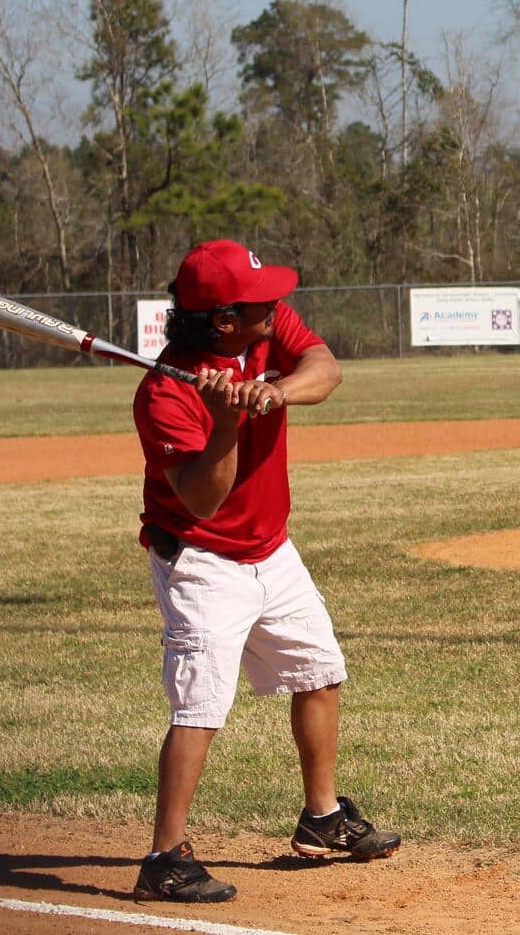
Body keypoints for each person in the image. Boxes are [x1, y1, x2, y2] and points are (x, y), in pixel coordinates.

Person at [131, 239, 399, 904]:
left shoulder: (266, 326)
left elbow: (325, 368)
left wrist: (272, 394)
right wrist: (225, 424)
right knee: (200, 705)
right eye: (260, 300)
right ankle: (165, 857)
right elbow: (200, 498)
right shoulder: (164, 393)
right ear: (223, 319)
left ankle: (322, 817)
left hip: (269, 548)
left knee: (320, 670)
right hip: (202, 559)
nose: (277, 305)